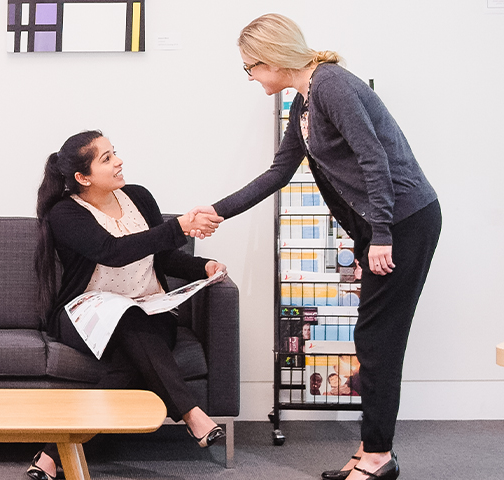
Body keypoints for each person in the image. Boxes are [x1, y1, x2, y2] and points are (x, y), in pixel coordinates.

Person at [188, 13, 440, 480]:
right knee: (374, 338)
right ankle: (371, 450)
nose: (250, 77)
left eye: (250, 67)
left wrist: (381, 234)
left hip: (403, 221)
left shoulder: (332, 87)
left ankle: (379, 457)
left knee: (377, 341)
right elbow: (278, 172)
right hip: (378, 225)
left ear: (272, 59)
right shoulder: (304, 102)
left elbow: (374, 159)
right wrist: (218, 210)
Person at [27, 130, 227, 480]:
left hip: (150, 310)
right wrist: (178, 225)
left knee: (126, 364)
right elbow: (112, 252)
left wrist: (203, 266)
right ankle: (191, 413)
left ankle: (51, 452)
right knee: (127, 315)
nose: (119, 161)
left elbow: (162, 256)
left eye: (114, 153)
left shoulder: (138, 197)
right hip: (85, 313)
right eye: (106, 158)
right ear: (82, 177)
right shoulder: (65, 213)